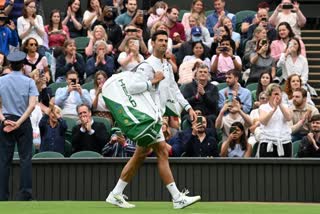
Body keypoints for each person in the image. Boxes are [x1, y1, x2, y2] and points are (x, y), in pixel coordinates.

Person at [106, 30, 200, 209]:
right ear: (152, 43)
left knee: (140, 155)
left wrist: (188, 107)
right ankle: (177, 198)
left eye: (166, 41)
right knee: (162, 152)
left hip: (156, 117)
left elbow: (174, 88)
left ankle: (116, 193)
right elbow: (133, 87)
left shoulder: (166, 65)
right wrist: (153, 81)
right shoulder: (146, 65)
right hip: (149, 117)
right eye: (160, 41)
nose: (164, 43)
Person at [0, 50, 38, 201]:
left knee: (3, 160)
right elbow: (32, 105)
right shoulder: (29, 81)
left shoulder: (1, 80)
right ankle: (25, 195)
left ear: (10, 64)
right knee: (25, 159)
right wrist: (19, 122)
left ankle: (2, 196)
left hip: (6, 122)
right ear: (23, 65)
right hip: (22, 123)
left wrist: (4, 120)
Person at [259, 83, 293, 157]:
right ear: (269, 95)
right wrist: (274, 109)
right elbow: (263, 121)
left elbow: (289, 118)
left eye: (280, 94)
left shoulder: (286, 106)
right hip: (267, 141)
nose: (278, 96)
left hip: (284, 141)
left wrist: (280, 105)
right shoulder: (263, 107)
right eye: (276, 94)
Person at [181, 63, 219, 127]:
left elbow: (214, 105)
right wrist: (195, 97)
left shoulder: (213, 88)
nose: (202, 73)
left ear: (208, 75)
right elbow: (184, 103)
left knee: (213, 118)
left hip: (207, 114)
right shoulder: (188, 86)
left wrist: (204, 94)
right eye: (200, 72)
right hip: (192, 113)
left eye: (205, 72)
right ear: (196, 74)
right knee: (187, 118)